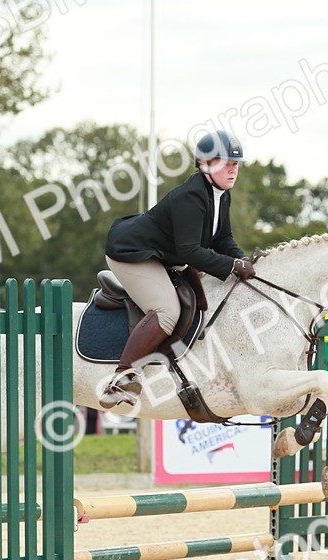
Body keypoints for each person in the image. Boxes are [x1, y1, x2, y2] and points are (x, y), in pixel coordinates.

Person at [99, 130, 258, 408]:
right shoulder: (192, 195)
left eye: (235, 165)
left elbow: (223, 239)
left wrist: (244, 261)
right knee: (167, 311)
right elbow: (190, 252)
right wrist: (232, 265)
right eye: (225, 164)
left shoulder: (221, 193)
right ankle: (121, 377)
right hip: (131, 253)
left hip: (160, 254)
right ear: (205, 165)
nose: (232, 170)